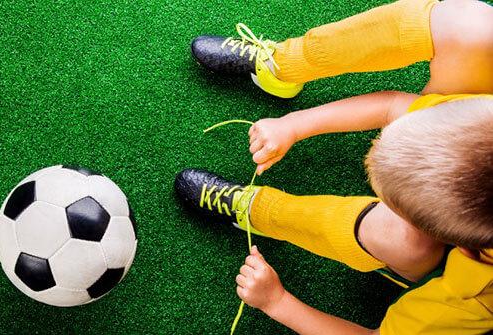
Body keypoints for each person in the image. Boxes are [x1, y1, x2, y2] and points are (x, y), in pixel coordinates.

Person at [176, 0, 493, 333]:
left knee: (403, 241)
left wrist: (278, 302)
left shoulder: (476, 301)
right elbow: (392, 107)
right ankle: (279, 66)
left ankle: (260, 211)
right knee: (471, 26)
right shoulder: (479, 125)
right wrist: (294, 125)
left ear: (469, 250)